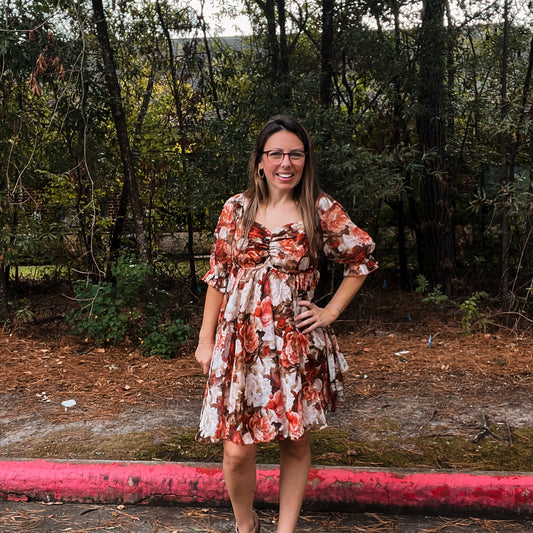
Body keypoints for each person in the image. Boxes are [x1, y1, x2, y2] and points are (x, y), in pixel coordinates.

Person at [194, 115, 377, 533]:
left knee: (294, 441)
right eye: (276, 153)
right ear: (260, 161)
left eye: (295, 153)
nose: (286, 162)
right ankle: (247, 526)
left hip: (293, 342)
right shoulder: (236, 209)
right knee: (237, 450)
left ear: (305, 159)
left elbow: (360, 258)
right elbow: (219, 275)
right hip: (239, 343)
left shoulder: (319, 209)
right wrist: (206, 341)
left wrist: (329, 312)